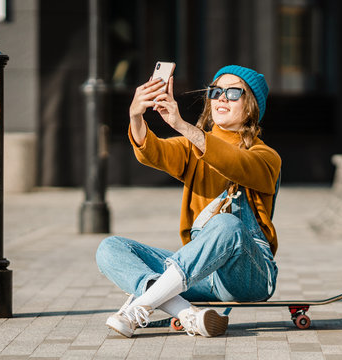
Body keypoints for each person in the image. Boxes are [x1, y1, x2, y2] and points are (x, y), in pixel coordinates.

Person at [96, 65, 281, 338]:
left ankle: (139, 307)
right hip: (201, 273)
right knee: (110, 248)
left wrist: (181, 125)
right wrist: (135, 116)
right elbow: (153, 152)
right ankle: (187, 313)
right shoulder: (192, 147)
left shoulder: (266, 156)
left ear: (252, 105)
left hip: (250, 275)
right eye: (216, 91)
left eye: (232, 92)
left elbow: (233, 162)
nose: (221, 98)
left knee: (226, 224)